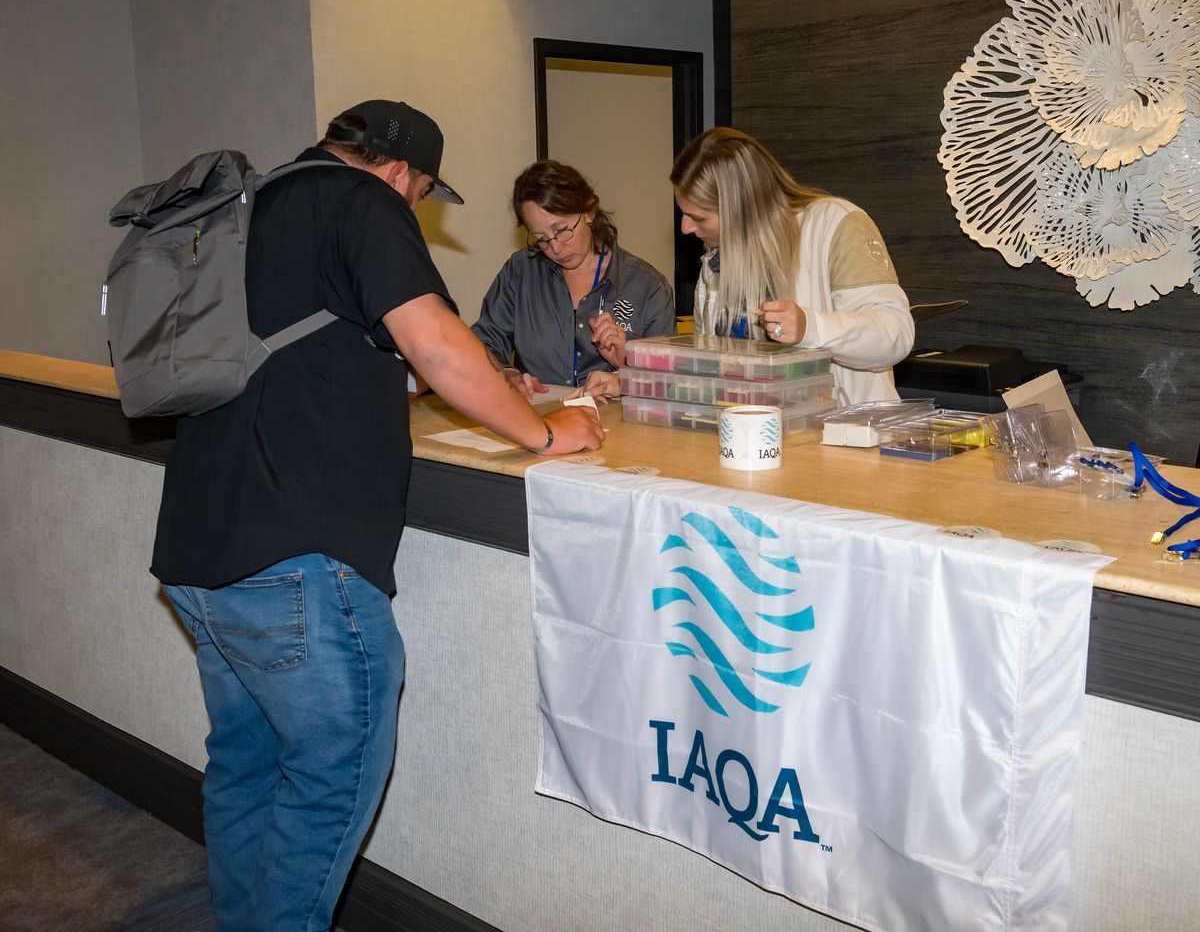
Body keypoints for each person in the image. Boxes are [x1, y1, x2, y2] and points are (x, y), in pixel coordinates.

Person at [149, 100, 603, 932]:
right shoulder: (362, 202)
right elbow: (431, 341)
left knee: (246, 764)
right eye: (423, 193)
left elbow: (365, 356)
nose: (417, 208)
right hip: (295, 557)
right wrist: (545, 429)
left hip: (196, 547)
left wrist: (485, 382)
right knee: (327, 783)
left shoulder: (252, 204)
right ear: (400, 172)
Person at [670, 127, 915, 406]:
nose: (685, 227)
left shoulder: (835, 224)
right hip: (754, 435)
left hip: (845, 438)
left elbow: (895, 334)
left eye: (697, 217)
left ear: (741, 209)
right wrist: (633, 374)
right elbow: (711, 366)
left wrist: (810, 327)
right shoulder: (716, 260)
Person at [472, 160, 675, 399]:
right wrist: (507, 375)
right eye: (541, 239)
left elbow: (667, 382)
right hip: (539, 421)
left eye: (561, 230)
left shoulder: (647, 286)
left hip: (618, 427)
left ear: (589, 211)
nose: (556, 248)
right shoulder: (520, 273)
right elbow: (485, 343)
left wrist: (627, 368)